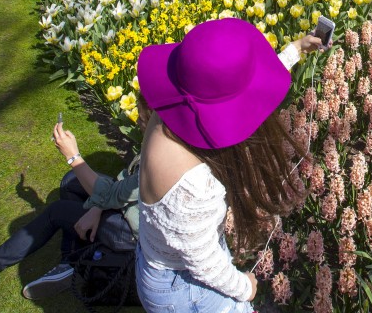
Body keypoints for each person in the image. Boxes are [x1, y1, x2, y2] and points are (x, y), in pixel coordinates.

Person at [134, 18, 325, 311]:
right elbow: (204, 264)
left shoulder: (168, 116)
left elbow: (232, 86)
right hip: (187, 290)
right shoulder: (194, 186)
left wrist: (296, 49)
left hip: (159, 262)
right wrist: (244, 287)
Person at [0, 121, 139, 299]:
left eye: (142, 114)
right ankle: (71, 261)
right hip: (132, 204)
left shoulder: (163, 156)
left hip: (135, 235)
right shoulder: (163, 135)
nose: (137, 119)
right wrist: (100, 204)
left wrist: (73, 156)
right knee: (71, 181)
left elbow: (122, 192)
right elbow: (127, 181)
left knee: (57, 212)